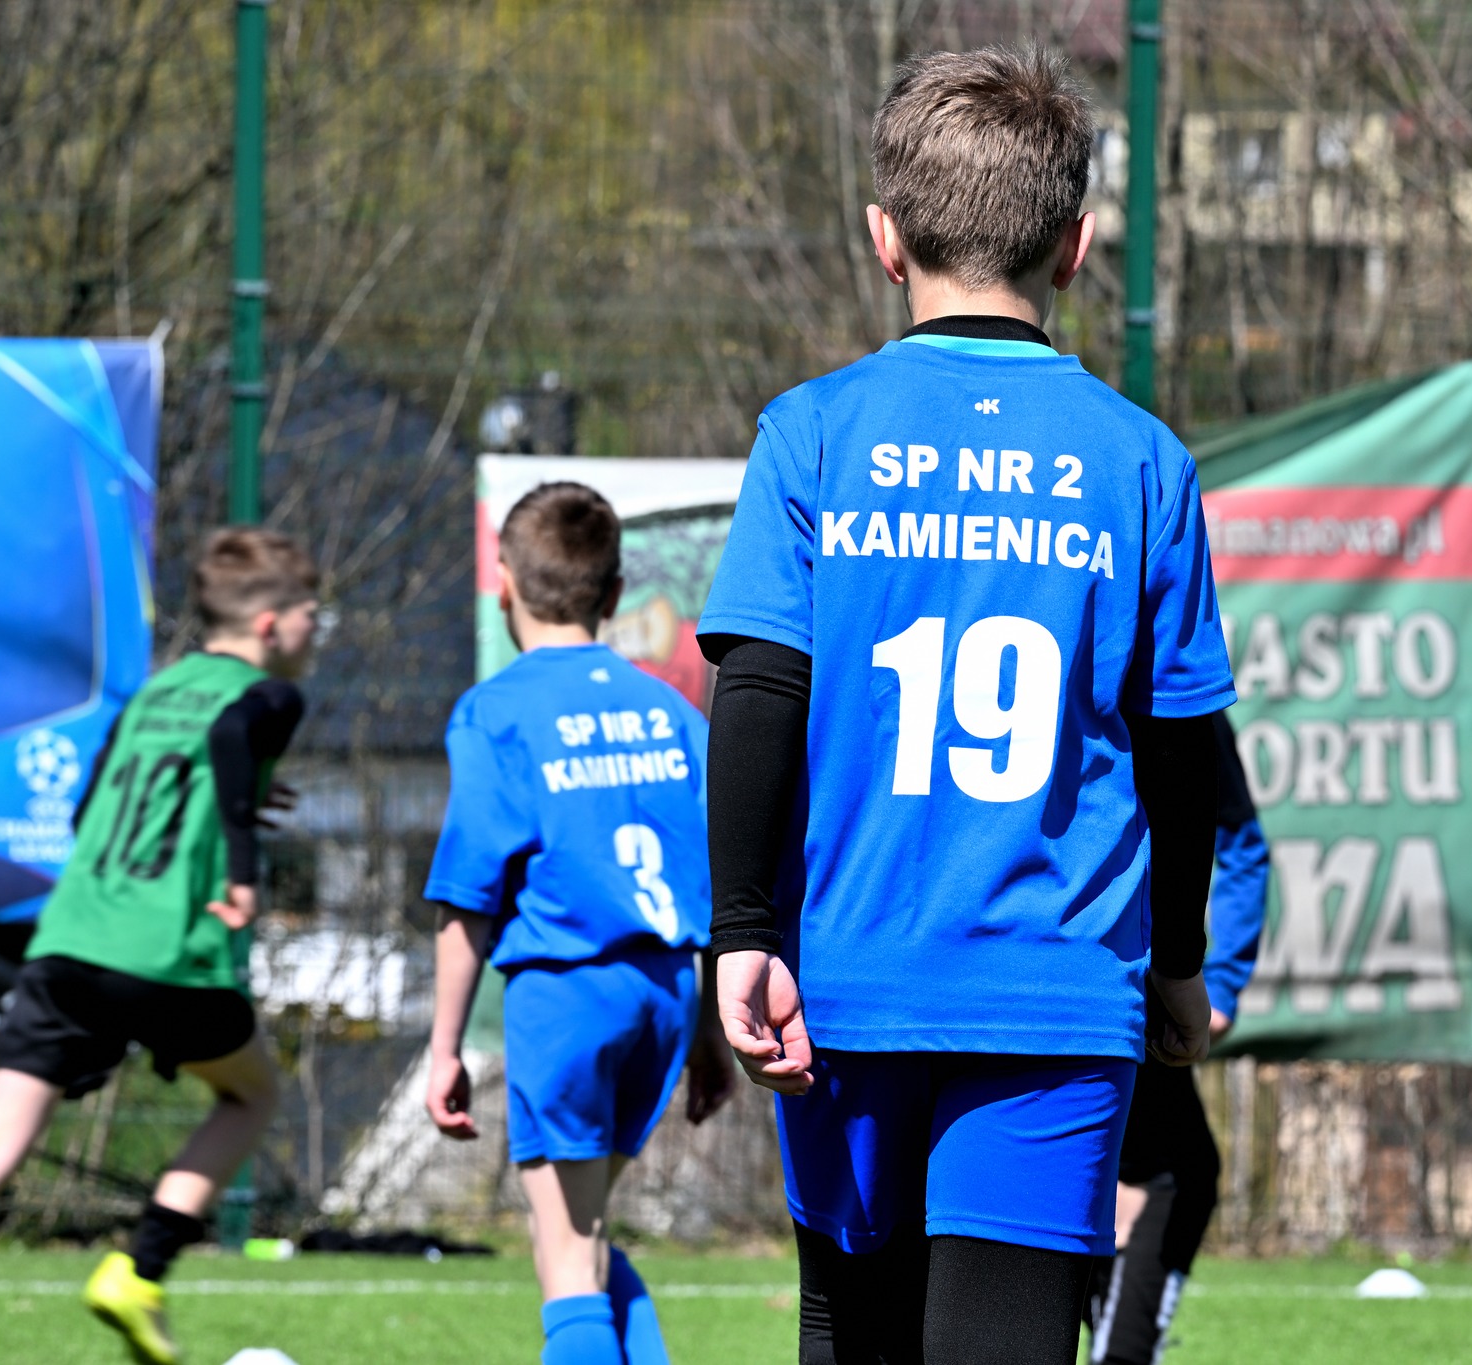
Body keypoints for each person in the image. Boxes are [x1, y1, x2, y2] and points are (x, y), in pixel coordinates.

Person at [696, 46, 1237, 1365]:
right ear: (1077, 245)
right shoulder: (1141, 461)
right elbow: (1181, 758)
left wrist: (743, 932)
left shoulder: (811, 433)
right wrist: (1178, 960)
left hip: (848, 981)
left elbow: (758, 694)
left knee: (854, 1336)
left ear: (884, 239)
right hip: (1054, 989)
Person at [0, 529, 321, 1365]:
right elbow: (234, 736)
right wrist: (240, 861)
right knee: (250, 1094)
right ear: (270, 624)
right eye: (314, 615)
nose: (318, 632)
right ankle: (139, 1271)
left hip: (69, 941)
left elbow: (96, 804)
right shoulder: (267, 694)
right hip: (163, 948)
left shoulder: (154, 695)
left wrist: (227, 801)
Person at [423, 482, 733, 1365]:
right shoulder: (672, 713)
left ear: (505, 587)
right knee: (586, 1236)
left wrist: (445, 1047)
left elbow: (467, 896)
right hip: (665, 995)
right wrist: (709, 1035)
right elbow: (711, 883)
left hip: (567, 991)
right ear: (615, 591)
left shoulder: (498, 710)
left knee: (564, 1257)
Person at [1086, 711, 1269, 1365]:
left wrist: (1218, 980)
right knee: (1166, 1172)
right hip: (1102, 977)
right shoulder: (1162, 675)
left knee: (1158, 1167)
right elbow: (1235, 836)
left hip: (1112, 981)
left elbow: (1239, 840)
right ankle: (1119, 1348)